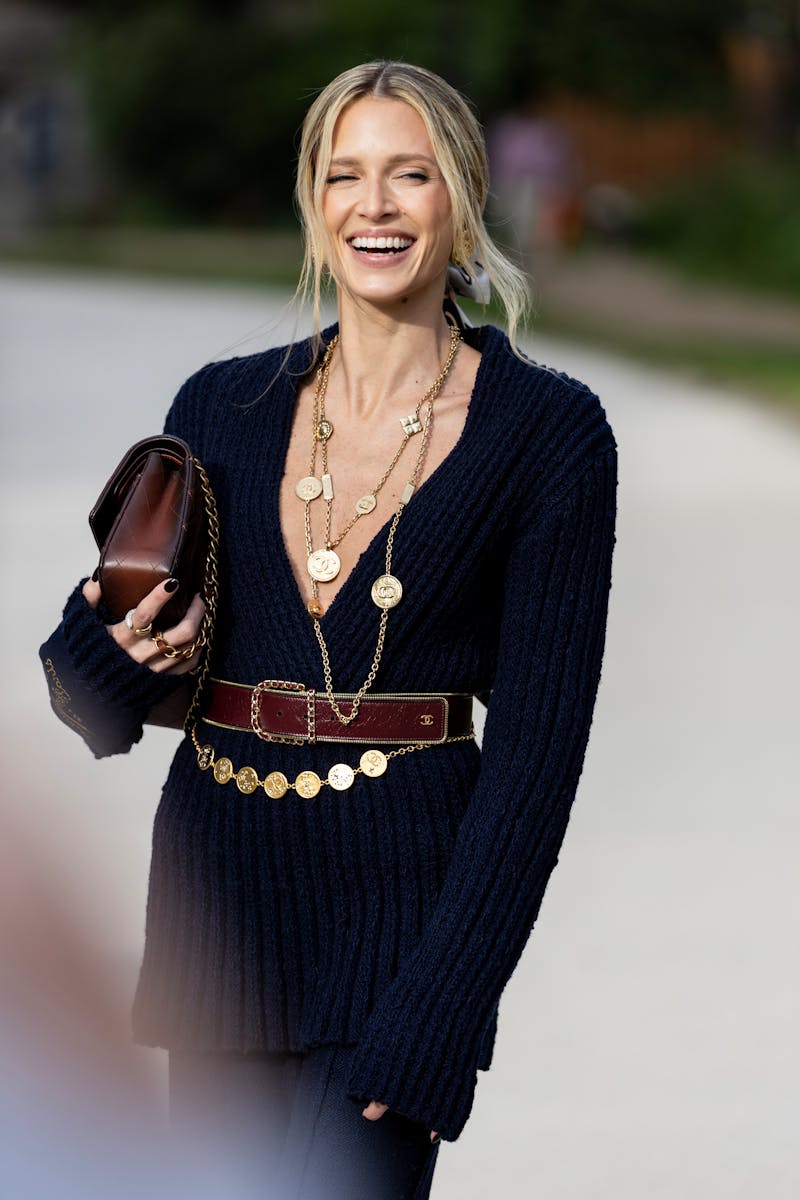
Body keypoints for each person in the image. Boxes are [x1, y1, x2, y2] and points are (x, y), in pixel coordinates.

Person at [40, 60, 618, 1199]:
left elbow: (536, 768)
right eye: (345, 176)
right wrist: (115, 653)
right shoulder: (222, 406)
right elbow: (88, 689)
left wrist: (441, 1018)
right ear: (312, 202)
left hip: (396, 952)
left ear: (460, 197)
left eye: (411, 175)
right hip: (219, 934)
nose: (376, 206)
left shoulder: (551, 436)